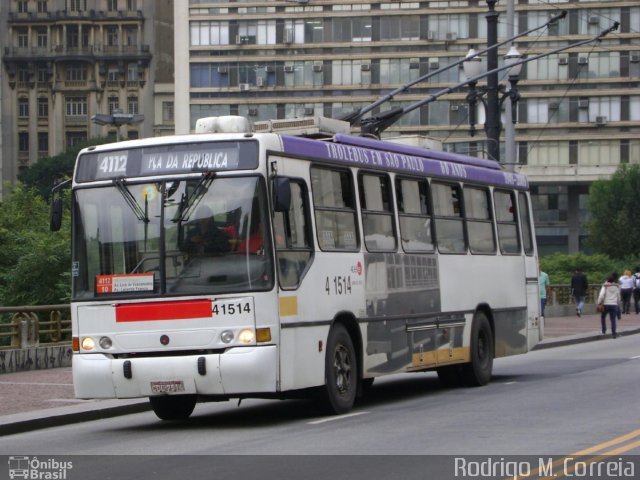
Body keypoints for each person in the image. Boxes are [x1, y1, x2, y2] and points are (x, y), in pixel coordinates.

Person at [597, 274, 621, 338]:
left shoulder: (605, 286)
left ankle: (603, 330)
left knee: (603, 317)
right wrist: (618, 303)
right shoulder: (616, 286)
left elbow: (601, 295)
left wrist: (599, 302)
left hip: (606, 304)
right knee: (613, 319)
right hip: (614, 304)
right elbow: (618, 296)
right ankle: (614, 333)